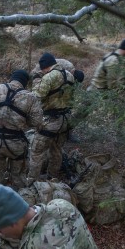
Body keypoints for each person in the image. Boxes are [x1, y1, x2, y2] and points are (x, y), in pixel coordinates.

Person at [0, 70, 43, 190]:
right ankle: (17, 204)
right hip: (17, 144)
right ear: (25, 83)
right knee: (18, 178)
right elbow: (36, 122)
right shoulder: (30, 97)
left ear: (12, 78)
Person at [28, 53, 75, 183]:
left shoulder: (49, 77)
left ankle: (32, 182)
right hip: (65, 120)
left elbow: (36, 96)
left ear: (44, 67)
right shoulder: (70, 75)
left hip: (49, 121)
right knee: (57, 151)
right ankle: (52, 179)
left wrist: (37, 80)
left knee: (36, 152)